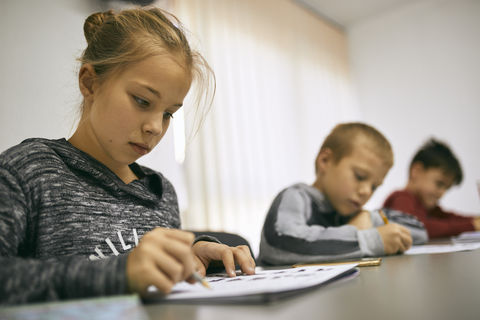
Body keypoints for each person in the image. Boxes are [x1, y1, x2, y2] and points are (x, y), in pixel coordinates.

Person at [0, 7, 255, 305]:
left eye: (169, 114)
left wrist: (192, 258)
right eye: (142, 101)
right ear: (90, 82)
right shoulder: (27, 171)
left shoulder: (161, 192)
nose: (155, 127)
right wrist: (119, 274)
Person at [258, 123, 428, 266]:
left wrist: (370, 218)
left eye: (374, 187)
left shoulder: (352, 210)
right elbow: (279, 242)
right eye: (360, 176)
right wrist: (370, 240)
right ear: (325, 161)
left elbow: (419, 228)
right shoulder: (297, 196)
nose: (366, 192)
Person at [384, 138, 480, 238]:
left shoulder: (426, 207)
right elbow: (418, 228)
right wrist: (471, 226)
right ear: (417, 171)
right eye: (439, 184)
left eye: (446, 188)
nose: (441, 193)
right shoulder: (401, 199)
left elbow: (449, 217)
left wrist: (475, 220)